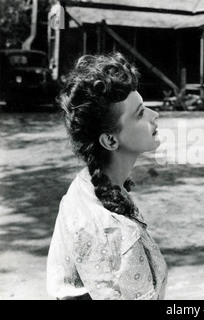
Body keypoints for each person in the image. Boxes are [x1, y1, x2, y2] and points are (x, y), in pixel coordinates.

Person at [46, 52, 167, 300]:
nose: (155, 115)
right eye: (140, 113)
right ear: (110, 140)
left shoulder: (88, 183)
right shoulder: (110, 231)